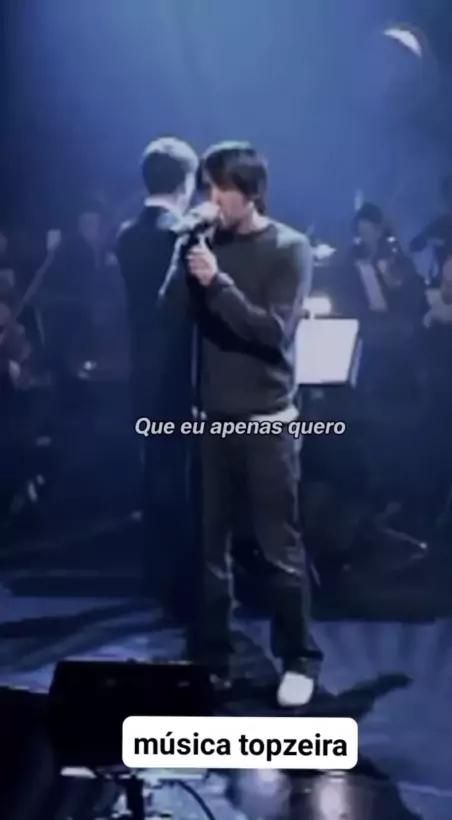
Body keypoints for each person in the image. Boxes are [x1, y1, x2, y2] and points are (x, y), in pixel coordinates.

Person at [159, 141, 318, 708]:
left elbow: (272, 332)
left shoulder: (289, 248)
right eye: (208, 187)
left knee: (279, 549)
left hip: (268, 422)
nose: (213, 198)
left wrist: (218, 283)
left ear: (251, 192)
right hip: (211, 421)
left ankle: (298, 659)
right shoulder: (205, 245)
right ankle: (214, 659)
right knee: (210, 549)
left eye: (223, 188)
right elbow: (169, 312)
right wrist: (185, 252)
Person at [116, 137, 198, 612]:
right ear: (186, 183)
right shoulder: (180, 236)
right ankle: (182, 587)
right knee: (182, 480)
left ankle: (155, 577)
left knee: (154, 472)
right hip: (180, 372)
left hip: (143, 371)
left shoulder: (126, 236)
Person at [410, 171, 452, 271]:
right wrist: (428, 240)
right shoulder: (443, 223)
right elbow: (415, 244)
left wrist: (446, 243)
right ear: (449, 194)